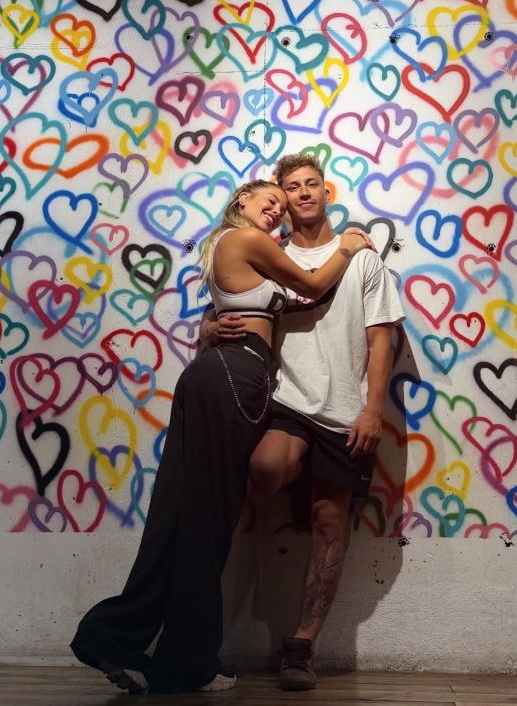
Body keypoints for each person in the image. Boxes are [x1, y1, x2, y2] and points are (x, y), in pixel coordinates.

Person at [69, 179, 372, 695]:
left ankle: (118, 637)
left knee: (178, 512)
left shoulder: (232, 248)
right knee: (207, 520)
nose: (276, 211)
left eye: (280, 207)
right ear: (241, 202)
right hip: (235, 375)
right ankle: (186, 663)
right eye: (269, 201)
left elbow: (270, 303)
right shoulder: (246, 238)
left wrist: (207, 327)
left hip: (214, 374)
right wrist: (347, 245)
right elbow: (315, 285)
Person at [204, 154, 405, 691]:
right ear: (283, 199)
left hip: (345, 411)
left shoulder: (363, 257)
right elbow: (230, 298)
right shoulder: (271, 252)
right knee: (266, 468)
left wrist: (373, 410)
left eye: (311, 183)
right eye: (291, 187)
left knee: (329, 522)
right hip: (286, 399)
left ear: (326, 192)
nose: (303, 192)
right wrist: (208, 328)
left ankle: (301, 646)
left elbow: (381, 340)